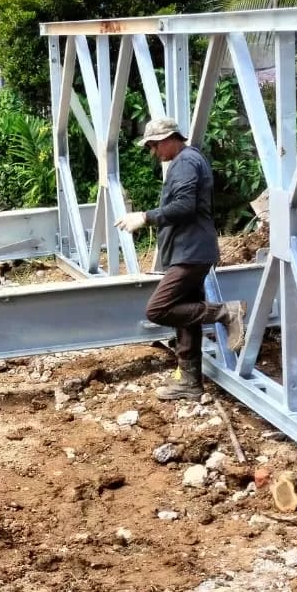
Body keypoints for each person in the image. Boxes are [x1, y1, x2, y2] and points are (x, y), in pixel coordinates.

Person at [115, 116, 244, 399]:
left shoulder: (185, 162)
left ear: (169, 139)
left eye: (154, 145)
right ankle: (189, 382)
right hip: (190, 250)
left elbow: (184, 206)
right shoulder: (185, 161)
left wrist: (145, 217)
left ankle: (225, 312)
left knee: (158, 309)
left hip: (191, 252)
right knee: (187, 313)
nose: (153, 152)